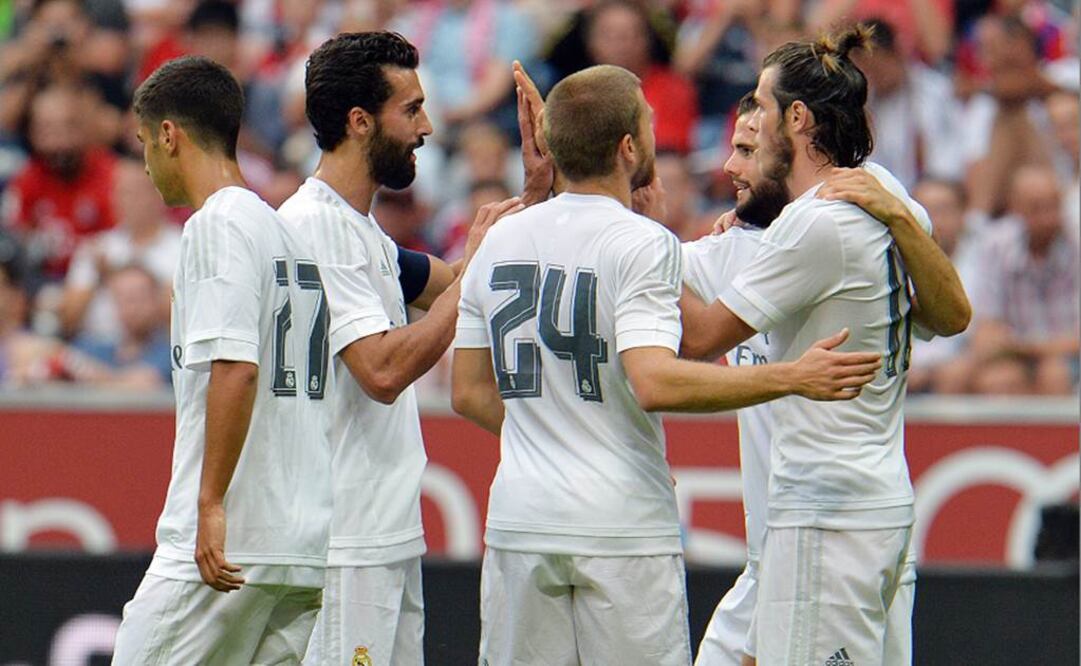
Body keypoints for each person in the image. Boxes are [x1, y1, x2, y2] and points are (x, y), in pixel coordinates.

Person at [451, 63, 885, 666]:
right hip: (620, 522)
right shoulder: (641, 241)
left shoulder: (499, 239)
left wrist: (553, 435)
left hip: (520, 521)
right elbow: (654, 380)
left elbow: (469, 393)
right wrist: (792, 376)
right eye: (649, 123)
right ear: (629, 147)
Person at [680, 27, 970, 665]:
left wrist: (625, 246)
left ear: (798, 116)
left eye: (759, 103)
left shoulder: (814, 224)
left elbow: (700, 338)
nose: (750, 118)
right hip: (878, 501)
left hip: (824, 510)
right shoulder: (882, 192)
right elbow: (951, 316)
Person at [277, 32, 525, 665]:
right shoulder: (321, 230)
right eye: (411, 109)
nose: (427, 126)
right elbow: (381, 369)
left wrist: (546, 193)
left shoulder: (362, 232)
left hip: (379, 536)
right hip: (345, 542)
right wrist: (470, 277)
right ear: (360, 123)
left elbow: (460, 284)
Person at [111, 56, 333, 663]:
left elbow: (236, 365)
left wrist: (210, 504)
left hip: (229, 540)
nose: (147, 166)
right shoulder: (283, 233)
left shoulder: (218, 224)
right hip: (301, 547)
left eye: (143, 144)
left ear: (168, 134)